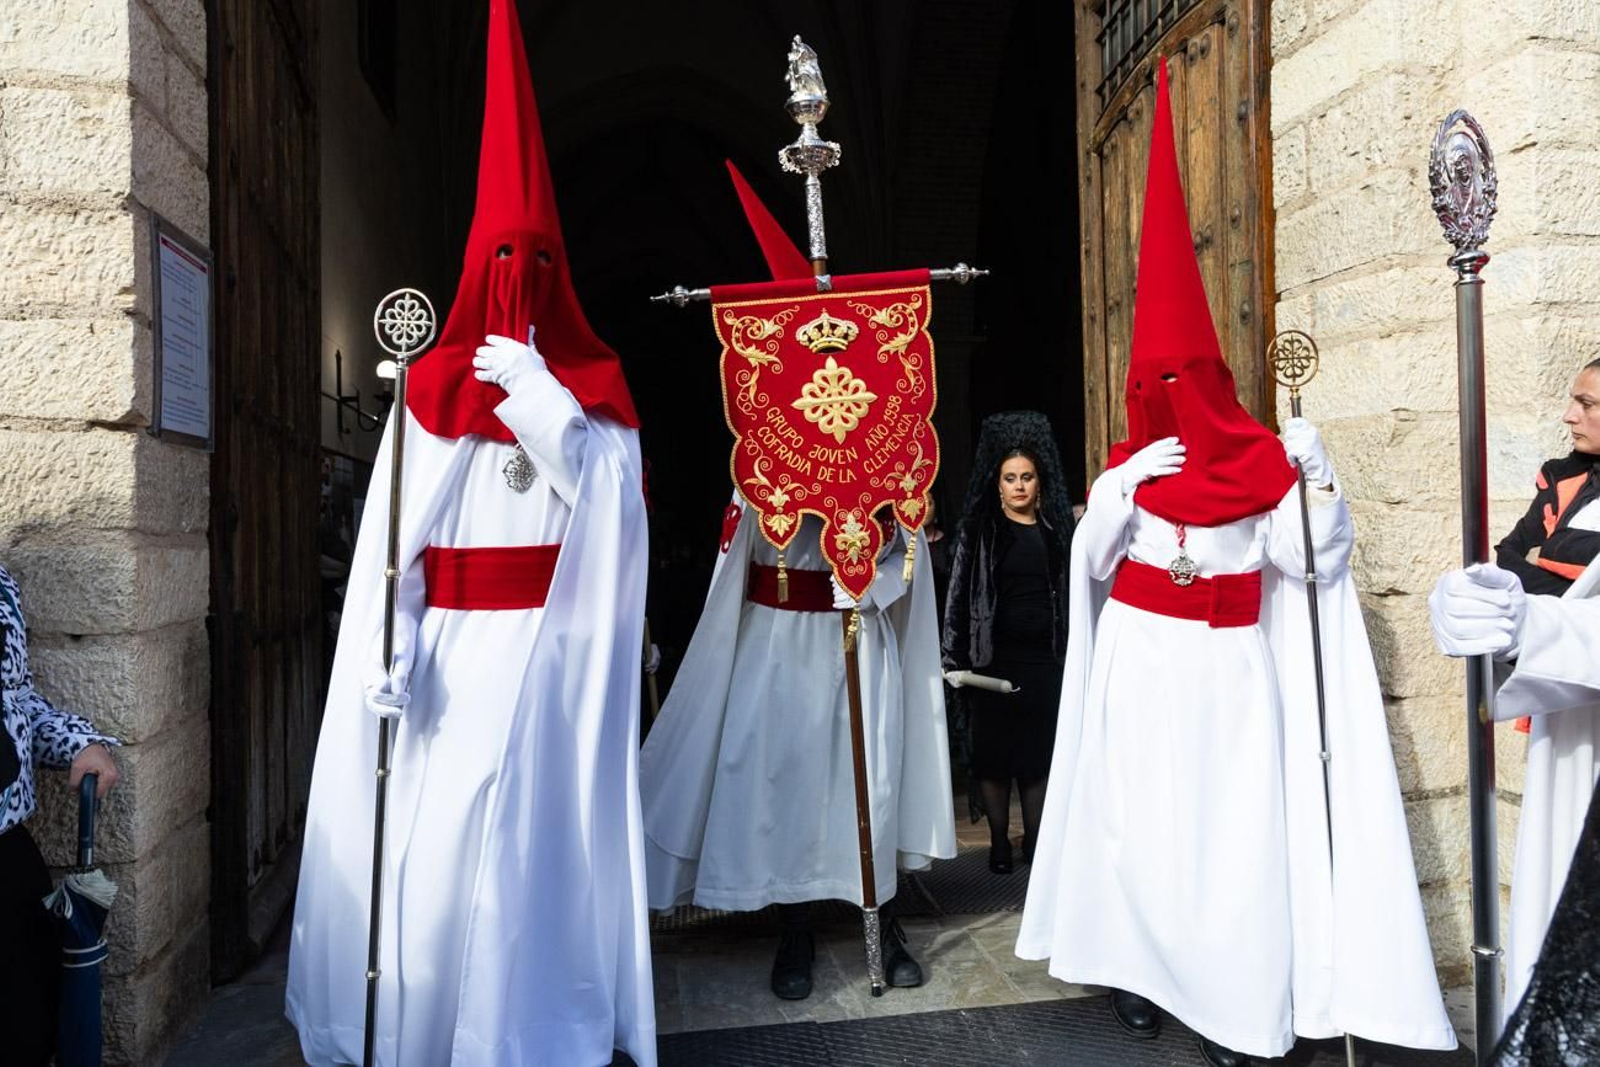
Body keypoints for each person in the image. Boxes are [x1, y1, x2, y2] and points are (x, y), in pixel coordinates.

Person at [1016, 58, 1456, 1067]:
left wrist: (1314, 479)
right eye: (1150, 378)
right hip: (1139, 663)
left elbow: (1309, 566)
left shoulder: (1263, 459)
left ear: (1212, 376)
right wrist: (1114, 497)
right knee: (1137, 831)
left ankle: (1235, 998)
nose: (1165, 392)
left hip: (1229, 669)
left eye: (1182, 376)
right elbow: (1083, 566)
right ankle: (1132, 971)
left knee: (1229, 843)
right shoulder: (1130, 466)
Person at [286, 4, 654, 1065]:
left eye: (536, 257)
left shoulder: (597, 395)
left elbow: (620, 534)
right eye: (500, 254)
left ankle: (535, 1032)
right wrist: (389, 650)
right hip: (451, 658)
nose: (516, 273)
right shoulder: (431, 391)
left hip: (549, 664)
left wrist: (558, 423)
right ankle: (427, 1025)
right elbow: (393, 545)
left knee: (536, 862)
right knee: (440, 856)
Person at [637, 161, 955, 1002]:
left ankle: (878, 923)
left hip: (858, 628)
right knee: (782, 779)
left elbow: (913, 541)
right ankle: (794, 928)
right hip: (780, 640)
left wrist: (877, 577)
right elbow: (740, 546)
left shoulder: (885, 424)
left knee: (867, 780)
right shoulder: (762, 442)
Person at [1428, 358, 1600, 1025]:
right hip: (1570, 711)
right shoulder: (1564, 480)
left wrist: (1533, 608)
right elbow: (1517, 558)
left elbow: (1552, 580)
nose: (1569, 415)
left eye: (1586, 402)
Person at [1, 562, 120, 1067]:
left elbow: (17, 698)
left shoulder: (0, 583)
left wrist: (76, 743)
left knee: (24, 1028)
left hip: (6, 844)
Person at [942, 411, 1071, 874]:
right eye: (1010, 478)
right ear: (997, 483)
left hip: (1044, 660)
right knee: (994, 760)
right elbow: (957, 594)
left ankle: (1034, 843)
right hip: (990, 662)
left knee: (1037, 760)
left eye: (1027, 477)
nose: (1019, 486)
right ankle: (999, 843)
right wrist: (953, 658)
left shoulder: (1057, 533)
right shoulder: (980, 530)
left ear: (1040, 481)